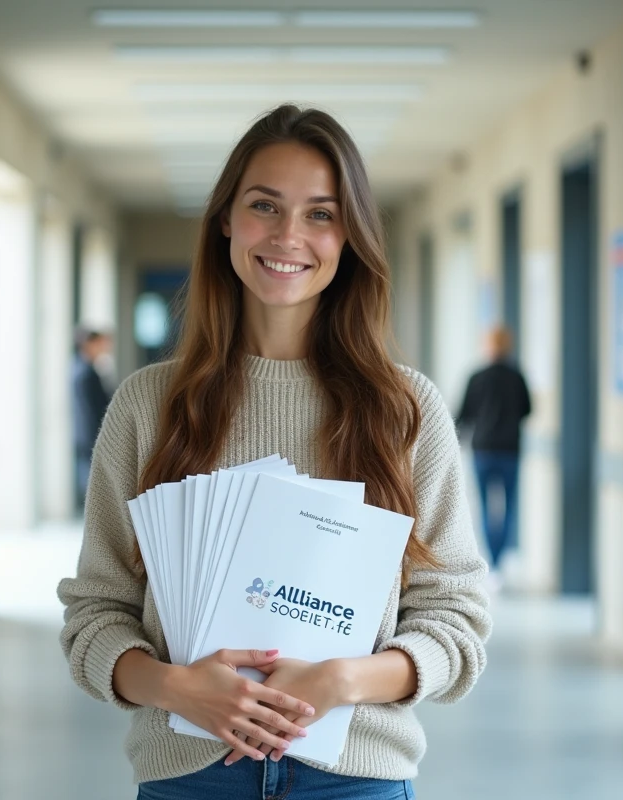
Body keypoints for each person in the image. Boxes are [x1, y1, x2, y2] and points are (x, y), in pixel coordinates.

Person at [58, 105, 491, 800]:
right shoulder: (147, 405)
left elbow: (456, 618)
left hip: (355, 781)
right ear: (226, 218)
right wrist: (177, 688)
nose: (290, 236)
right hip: (188, 779)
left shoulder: (405, 410)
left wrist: (340, 680)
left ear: (350, 236)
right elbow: (95, 615)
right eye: (265, 206)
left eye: (321, 214)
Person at [455, 327, 532, 585]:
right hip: (510, 448)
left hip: (484, 448)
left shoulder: (477, 377)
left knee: (487, 505)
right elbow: (527, 410)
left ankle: (493, 560)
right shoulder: (517, 376)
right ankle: (499, 559)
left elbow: (464, 414)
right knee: (509, 505)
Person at [72, 328, 113, 511]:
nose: (105, 348)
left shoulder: (82, 370)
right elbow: (95, 410)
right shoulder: (86, 374)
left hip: (87, 436)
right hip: (91, 436)